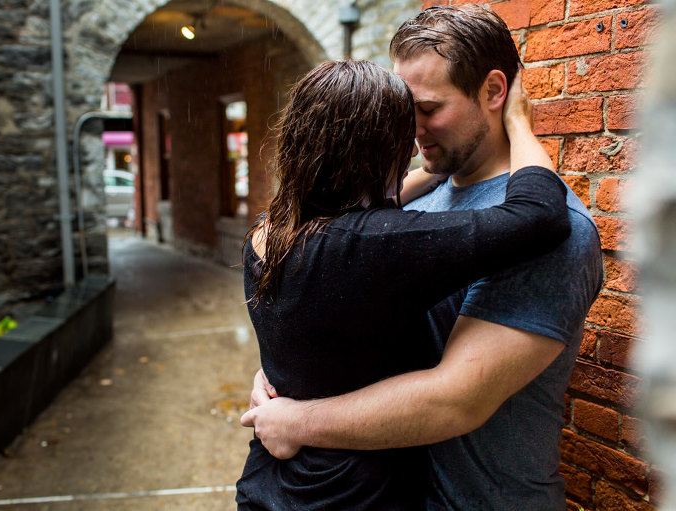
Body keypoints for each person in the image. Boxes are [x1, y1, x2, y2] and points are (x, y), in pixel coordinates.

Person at [240, 6, 603, 511]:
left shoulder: (553, 233)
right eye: (403, 111)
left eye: (429, 108)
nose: (411, 131)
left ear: (494, 92)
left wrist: (295, 419)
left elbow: (454, 401)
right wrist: (288, 373)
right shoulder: (410, 201)